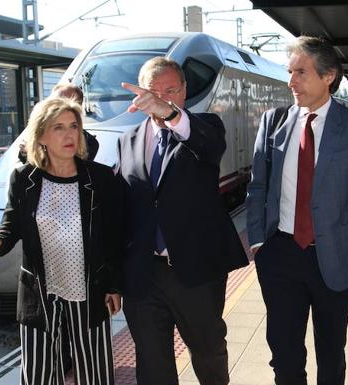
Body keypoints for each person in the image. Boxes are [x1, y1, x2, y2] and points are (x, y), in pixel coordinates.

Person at [246, 36, 348, 385]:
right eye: (289, 72)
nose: (291, 81)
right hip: (280, 255)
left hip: (335, 259)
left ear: (329, 76)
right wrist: (258, 242)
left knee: (331, 354)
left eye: (301, 72)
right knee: (284, 355)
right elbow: (257, 186)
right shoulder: (273, 121)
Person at [117, 57, 248, 385]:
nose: (161, 99)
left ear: (185, 91)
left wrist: (171, 115)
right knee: (152, 360)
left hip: (196, 271)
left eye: (170, 90)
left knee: (207, 351)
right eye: (153, 92)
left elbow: (208, 146)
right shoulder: (127, 140)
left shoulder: (205, 127)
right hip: (143, 275)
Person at [0, 98, 122, 385]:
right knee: (38, 373)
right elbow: (12, 225)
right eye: (58, 128)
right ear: (41, 135)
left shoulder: (100, 178)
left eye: (74, 126)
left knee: (96, 373)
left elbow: (114, 236)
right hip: (40, 291)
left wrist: (114, 285)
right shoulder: (24, 178)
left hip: (89, 289)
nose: (69, 135)